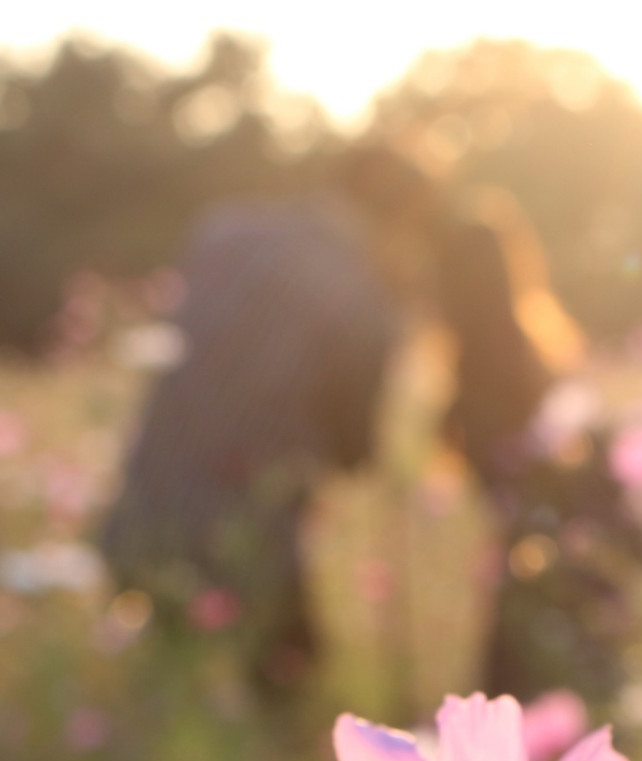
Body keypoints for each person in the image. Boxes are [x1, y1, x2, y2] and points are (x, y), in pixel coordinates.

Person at [99, 144, 441, 688]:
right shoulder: (366, 299)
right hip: (249, 536)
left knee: (164, 686)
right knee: (286, 680)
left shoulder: (222, 232)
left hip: (145, 509)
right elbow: (356, 451)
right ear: (400, 220)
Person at [433, 192, 642, 701]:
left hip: (525, 585)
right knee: (599, 716)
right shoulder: (546, 363)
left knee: (520, 723)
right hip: (586, 570)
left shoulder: (462, 389)